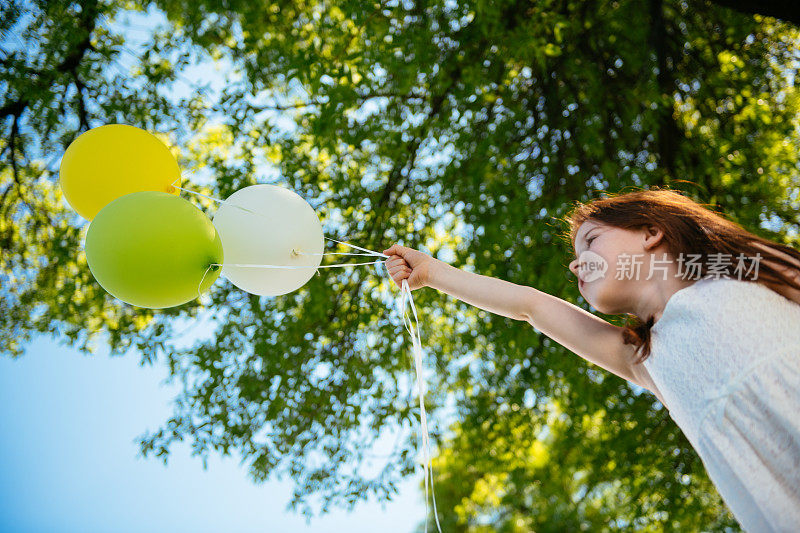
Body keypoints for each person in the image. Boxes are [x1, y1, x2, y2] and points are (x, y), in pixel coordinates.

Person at [382, 188, 800, 532]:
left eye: (592, 240)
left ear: (651, 232)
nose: (575, 261)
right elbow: (531, 306)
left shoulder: (744, 269)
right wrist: (434, 273)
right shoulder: (644, 358)